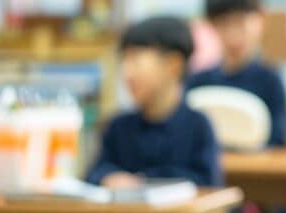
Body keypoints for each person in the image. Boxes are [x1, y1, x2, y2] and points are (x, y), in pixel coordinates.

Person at [87, 16, 222, 188]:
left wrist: (143, 181)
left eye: (135, 59)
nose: (127, 73)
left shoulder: (198, 126)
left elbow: (207, 184)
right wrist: (107, 178)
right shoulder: (118, 127)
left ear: (173, 64)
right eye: (124, 61)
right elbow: (94, 173)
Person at [188, 0, 286, 147]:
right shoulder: (198, 81)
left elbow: (279, 141)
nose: (233, 35)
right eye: (224, 24)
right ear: (211, 26)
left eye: (241, 23)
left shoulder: (271, 81)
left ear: (262, 19)